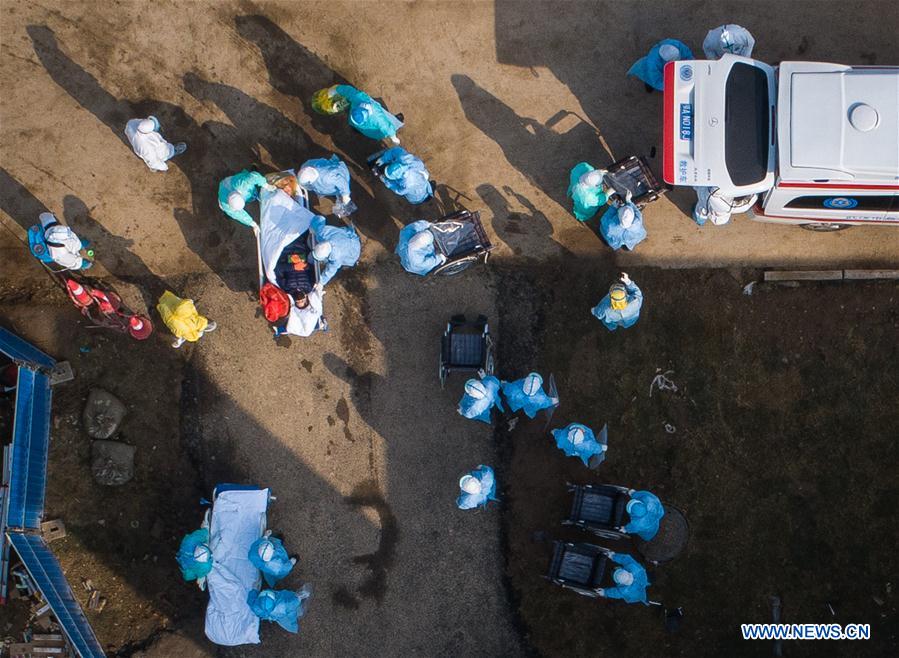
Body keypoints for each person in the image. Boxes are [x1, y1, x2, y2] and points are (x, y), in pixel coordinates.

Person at [333, 84, 403, 143]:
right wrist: (334, 91)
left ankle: (356, 129)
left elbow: (388, 129)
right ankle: (357, 129)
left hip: (369, 129)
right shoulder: (359, 99)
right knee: (390, 122)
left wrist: (394, 137)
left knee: (357, 127)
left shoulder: (378, 117)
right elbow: (347, 91)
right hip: (371, 131)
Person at [310, 215, 361, 286]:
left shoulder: (337, 257)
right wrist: (312, 228)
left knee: (337, 267)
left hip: (353, 248)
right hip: (345, 237)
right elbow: (320, 219)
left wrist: (320, 283)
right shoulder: (323, 233)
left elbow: (330, 271)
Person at [627, 39, 693, 91]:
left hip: (661, 67)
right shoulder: (652, 64)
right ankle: (649, 85)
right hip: (650, 71)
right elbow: (657, 82)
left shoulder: (676, 45)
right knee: (649, 79)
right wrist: (673, 87)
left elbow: (687, 54)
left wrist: (693, 65)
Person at [247, 584, 312, 634]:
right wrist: (300, 596)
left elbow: (251, 597)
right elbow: (293, 603)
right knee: (295, 612)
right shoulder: (281, 605)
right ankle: (299, 612)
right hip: (286, 615)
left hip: (276, 616)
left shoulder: (257, 607)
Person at [692, 187, 757, 226]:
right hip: (707, 197)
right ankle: (700, 220)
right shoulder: (724, 205)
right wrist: (756, 192)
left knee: (702, 209)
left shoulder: (724, 205)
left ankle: (700, 220)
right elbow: (745, 206)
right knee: (703, 209)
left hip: (703, 193)